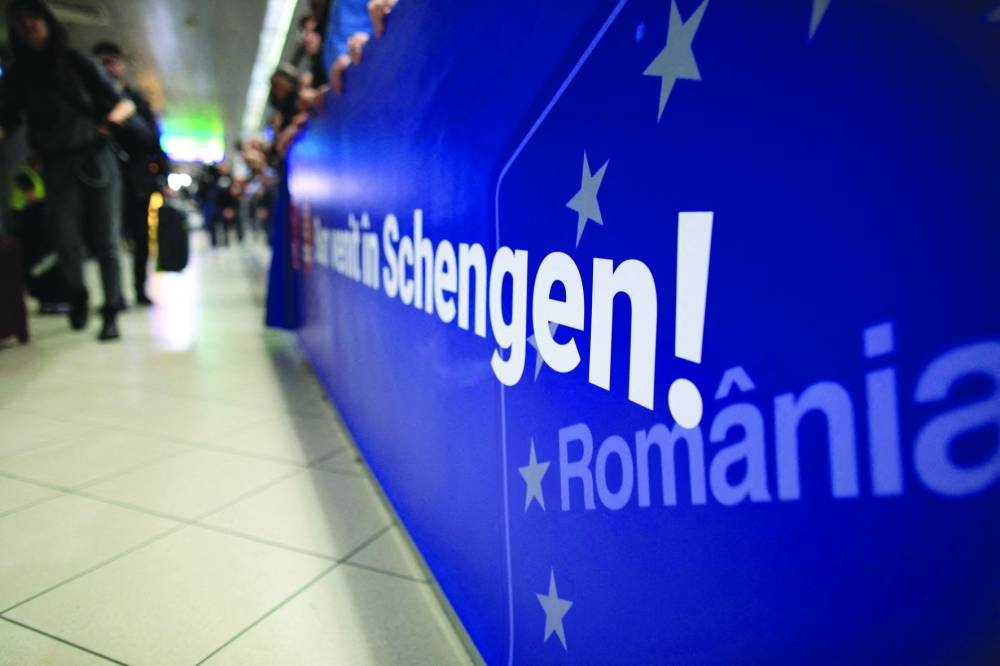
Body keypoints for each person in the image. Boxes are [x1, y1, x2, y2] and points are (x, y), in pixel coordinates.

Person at [0, 0, 136, 340]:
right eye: (20, 19)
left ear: (46, 20)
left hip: (95, 156)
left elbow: (123, 101)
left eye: (33, 17)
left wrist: (113, 120)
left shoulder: (77, 63)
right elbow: (7, 119)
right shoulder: (18, 75)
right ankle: (77, 294)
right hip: (56, 162)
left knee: (106, 238)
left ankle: (111, 309)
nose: (28, 24)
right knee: (65, 238)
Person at [92, 40, 165, 307]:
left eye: (113, 60)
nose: (108, 67)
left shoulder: (135, 101)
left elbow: (152, 140)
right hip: (101, 178)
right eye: (102, 62)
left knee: (140, 239)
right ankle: (114, 294)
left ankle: (139, 288)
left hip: (136, 182)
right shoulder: (90, 102)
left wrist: (161, 178)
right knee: (107, 238)